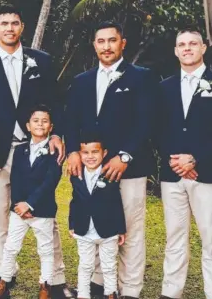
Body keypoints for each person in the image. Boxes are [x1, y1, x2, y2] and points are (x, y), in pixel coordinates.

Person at [0, 5, 71, 298]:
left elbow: (56, 101)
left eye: (15, 22)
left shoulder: (42, 61)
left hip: (36, 150)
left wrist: (58, 134)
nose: (10, 28)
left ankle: (54, 278)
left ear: (22, 27)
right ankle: (5, 275)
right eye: (4, 23)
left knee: (44, 214)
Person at [64, 21, 157, 299]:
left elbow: (147, 122)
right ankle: (98, 283)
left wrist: (125, 156)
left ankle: (129, 289)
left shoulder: (142, 77)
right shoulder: (82, 81)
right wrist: (72, 152)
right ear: (94, 45)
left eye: (112, 40)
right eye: (101, 41)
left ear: (123, 43)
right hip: (91, 168)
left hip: (128, 168)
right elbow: (71, 120)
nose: (106, 46)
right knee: (94, 224)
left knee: (128, 230)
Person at [156, 29, 212, 299]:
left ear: (204, 48)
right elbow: (157, 128)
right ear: (175, 50)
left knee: (211, 238)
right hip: (173, 174)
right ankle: (171, 292)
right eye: (181, 44)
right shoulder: (164, 87)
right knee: (175, 237)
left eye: (193, 43)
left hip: (207, 174)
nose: (187, 48)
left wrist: (197, 158)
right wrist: (175, 158)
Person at [0, 104, 62, 299]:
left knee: (45, 250)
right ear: (28, 126)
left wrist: (30, 204)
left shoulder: (55, 151)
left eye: (44, 121)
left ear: (51, 126)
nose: (40, 124)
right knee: (11, 247)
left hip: (42, 210)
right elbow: (16, 179)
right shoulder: (20, 150)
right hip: (18, 211)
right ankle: (3, 283)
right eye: (36, 121)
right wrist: (19, 205)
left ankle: (45, 286)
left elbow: (50, 181)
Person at [69, 132, 126, 299]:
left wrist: (120, 229)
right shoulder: (76, 175)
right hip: (84, 229)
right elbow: (74, 201)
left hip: (108, 229)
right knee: (85, 265)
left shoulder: (110, 175)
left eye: (95, 152)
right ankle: (83, 295)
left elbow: (117, 202)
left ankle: (110, 294)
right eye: (85, 152)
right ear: (80, 154)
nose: (90, 156)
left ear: (104, 153)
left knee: (109, 266)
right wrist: (72, 223)